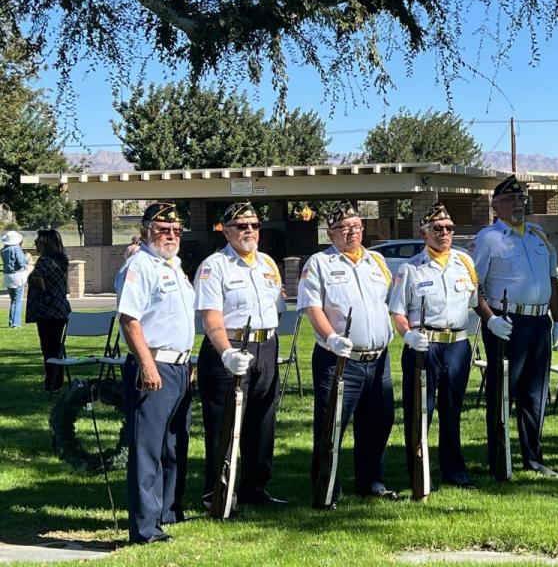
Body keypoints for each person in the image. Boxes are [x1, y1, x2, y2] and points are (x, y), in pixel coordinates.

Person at [297, 200, 398, 506]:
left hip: (378, 358)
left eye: (356, 226)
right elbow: (312, 306)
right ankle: (326, 488)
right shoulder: (319, 263)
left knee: (379, 422)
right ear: (331, 233)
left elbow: (388, 301)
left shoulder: (376, 261)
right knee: (332, 426)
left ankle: (371, 481)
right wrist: (330, 336)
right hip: (339, 359)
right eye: (344, 227)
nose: (352, 232)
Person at [195, 202, 287, 507]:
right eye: (241, 226)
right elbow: (211, 318)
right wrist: (226, 353)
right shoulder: (214, 266)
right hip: (231, 348)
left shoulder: (267, 264)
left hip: (266, 346)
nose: (249, 231)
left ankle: (255, 489)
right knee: (224, 423)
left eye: (255, 225)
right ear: (226, 230)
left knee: (262, 421)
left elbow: (278, 305)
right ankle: (218, 491)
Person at [473, 174, 558, 478]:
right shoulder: (489, 239)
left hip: (539, 321)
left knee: (535, 394)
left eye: (521, 199)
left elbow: (551, 278)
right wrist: (490, 318)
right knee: (504, 392)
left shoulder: (538, 235)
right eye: (510, 199)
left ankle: (534, 458)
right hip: (506, 321)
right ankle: (499, 458)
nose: (517, 204)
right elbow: (475, 285)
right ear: (495, 205)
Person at [116, 202, 195, 543]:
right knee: (148, 448)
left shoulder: (175, 266)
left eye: (176, 231)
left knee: (175, 444)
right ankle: (146, 528)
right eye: (163, 230)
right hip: (155, 364)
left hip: (179, 366)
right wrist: (147, 364)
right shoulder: (140, 266)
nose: (171, 236)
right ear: (147, 230)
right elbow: (130, 319)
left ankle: (167, 511)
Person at [388, 201, 479, 491]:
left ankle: (454, 470)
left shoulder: (464, 263)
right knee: (420, 410)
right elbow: (397, 311)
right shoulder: (410, 268)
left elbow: (476, 302)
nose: (444, 233)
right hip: (424, 346)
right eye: (437, 229)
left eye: (449, 228)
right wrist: (408, 335)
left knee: (452, 410)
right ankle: (418, 467)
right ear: (424, 233)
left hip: (457, 345)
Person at [26, 229, 71, 392]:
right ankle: (55, 382)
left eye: (38, 240)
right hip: (60, 310)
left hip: (48, 311)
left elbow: (38, 277)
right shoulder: (61, 260)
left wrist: (44, 294)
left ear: (46, 243)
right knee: (55, 347)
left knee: (48, 349)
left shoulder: (45, 261)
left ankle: (52, 384)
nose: (35, 243)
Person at [2, 230, 30, 328]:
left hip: (8, 276)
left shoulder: (4, 250)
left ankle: (11, 322)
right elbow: (22, 263)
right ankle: (16, 323)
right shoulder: (16, 249)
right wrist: (27, 258)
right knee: (17, 300)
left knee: (13, 300)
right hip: (18, 276)